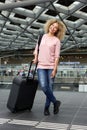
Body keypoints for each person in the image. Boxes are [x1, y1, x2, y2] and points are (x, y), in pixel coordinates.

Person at [33, 19, 66, 116]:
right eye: (52, 25)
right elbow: (36, 50)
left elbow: (57, 56)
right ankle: (56, 102)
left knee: (50, 88)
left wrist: (55, 69)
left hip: (51, 66)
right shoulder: (41, 37)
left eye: (55, 28)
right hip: (41, 66)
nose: (53, 28)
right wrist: (35, 58)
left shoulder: (56, 41)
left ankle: (46, 108)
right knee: (44, 86)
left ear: (57, 31)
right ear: (49, 25)